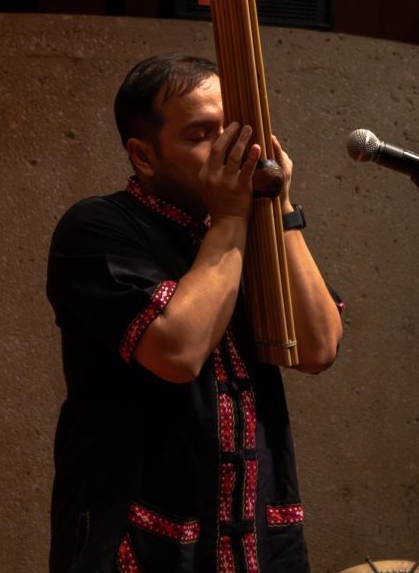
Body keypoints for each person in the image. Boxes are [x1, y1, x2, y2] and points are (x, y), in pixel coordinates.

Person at [46, 54, 344, 573]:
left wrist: (280, 206)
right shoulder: (95, 228)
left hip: (256, 538)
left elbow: (318, 348)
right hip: (138, 541)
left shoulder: (255, 230)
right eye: (201, 135)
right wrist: (230, 217)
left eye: (233, 132)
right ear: (143, 156)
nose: (231, 153)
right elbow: (178, 353)